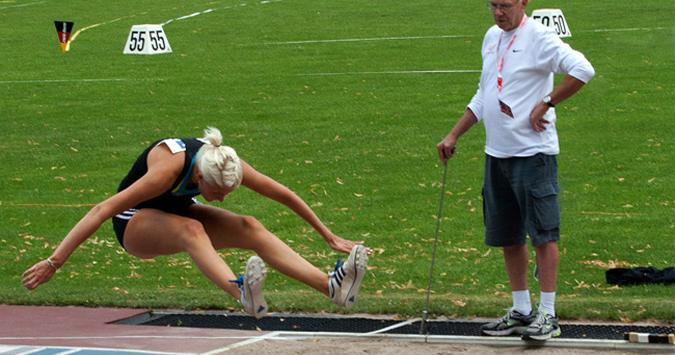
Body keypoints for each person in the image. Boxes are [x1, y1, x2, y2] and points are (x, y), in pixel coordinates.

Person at [22, 127, 370, 318]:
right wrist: (55, 261)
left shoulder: (223, 160)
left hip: (175, 209)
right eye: (216, 192)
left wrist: (328, 235)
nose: (220, 198)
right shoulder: (166, 171)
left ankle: (332, 288)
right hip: (131, 224)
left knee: (249, 225)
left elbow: (281, 193)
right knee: (193, 230)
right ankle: (243, 294)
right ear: (199, 176)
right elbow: (101, 210)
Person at [436, 0, 594, 341]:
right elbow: (485, 93)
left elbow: (582, 69)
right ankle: (522, 309)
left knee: (543, 233)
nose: (497, 12)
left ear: (523, 3)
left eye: (505, 5)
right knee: (508, 236)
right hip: (497, 154)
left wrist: (547, 102)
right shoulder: (491, 36)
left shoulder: (540, 36)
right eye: (492, 5)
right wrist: (454, 133)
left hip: (533, 154)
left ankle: (548, 315)